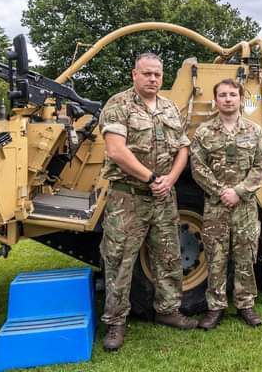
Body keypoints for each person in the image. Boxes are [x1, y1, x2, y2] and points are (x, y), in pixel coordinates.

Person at [98, 52, 198, 352]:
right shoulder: (118, 104)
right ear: (134, 74)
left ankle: (168, 311)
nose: (153, 79)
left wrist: (170, 179)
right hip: (128, 197)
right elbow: (116, 150)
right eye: (147, 73)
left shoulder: (169, 107)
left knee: (168, 256)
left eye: (157, 74)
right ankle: (115, 323)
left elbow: (183, 148)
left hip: (164, 196)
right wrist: (152, 178)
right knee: (119, 260)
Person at [190, 78, 262, 330]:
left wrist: (238, 191)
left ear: (240, 98)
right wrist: (221, 191)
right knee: (215, 257)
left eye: (232, 94)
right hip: (215, 206)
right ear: (216, 100)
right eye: (222, 94)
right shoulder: (204, 132)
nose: (227, 99)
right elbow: (197, 167)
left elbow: (260, 167)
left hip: (244, 206)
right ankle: (215, 307)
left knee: (246, 255)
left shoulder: (255, 132)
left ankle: (245, 305)